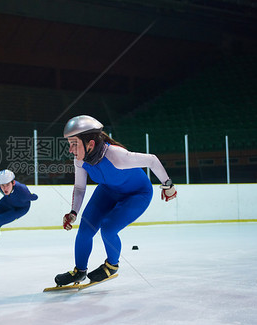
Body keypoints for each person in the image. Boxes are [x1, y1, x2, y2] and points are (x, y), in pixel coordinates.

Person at [55, 115, 177, 285]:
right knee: (85, 229)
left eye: (74, 144)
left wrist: (168, 185)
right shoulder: (80, 161)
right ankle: (79, 271)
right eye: (69, 144)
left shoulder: (116, 155)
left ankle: (112, 265)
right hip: (108, 191)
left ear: (90, 143)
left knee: (108, 228)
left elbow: (152, 160)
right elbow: (80, 188)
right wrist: (73, 212)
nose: (70, 150)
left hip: (137, 194)